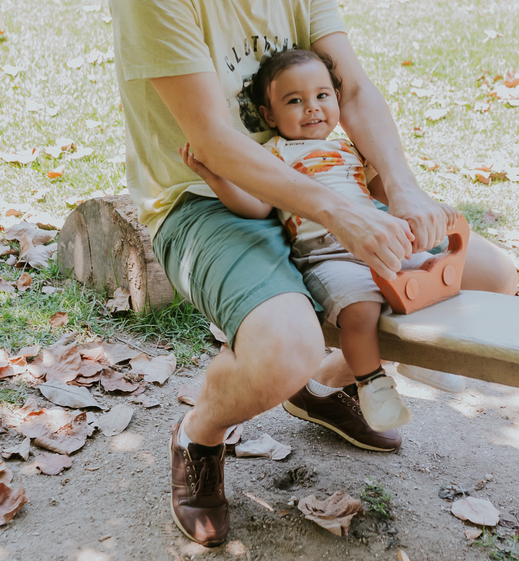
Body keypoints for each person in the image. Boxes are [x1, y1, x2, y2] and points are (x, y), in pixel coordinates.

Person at [109, 0, 517, 548]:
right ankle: (200, 431)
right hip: (210, 199)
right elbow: (220, 142)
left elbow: (353, 88)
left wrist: (398, 187)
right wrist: (343, 214)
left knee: (490, 278)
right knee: (282, 343)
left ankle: (322, 382)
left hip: (321, 181)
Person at [179, 48, 440, 432]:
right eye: (295, 101)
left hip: (377, 241)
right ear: (269, 116)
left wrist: (420, 205)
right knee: (361, 310)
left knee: (428, 278)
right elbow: (257, 207)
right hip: (326, 254)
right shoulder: (274, 153)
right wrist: (216, 177)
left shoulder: (350, 147)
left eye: (322, 96)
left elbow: (377, 190)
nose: (312, 108)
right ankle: (372, 384)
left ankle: (424, 359)